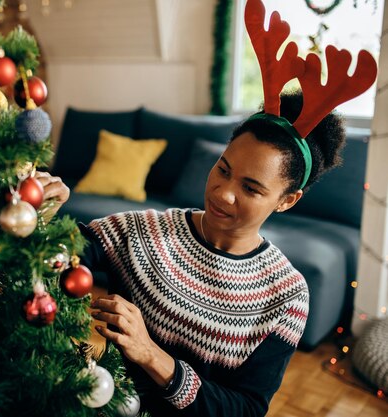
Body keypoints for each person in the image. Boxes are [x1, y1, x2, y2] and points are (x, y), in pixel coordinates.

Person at [36, 90, 347, 416]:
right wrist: (45, 217)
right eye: (224, 170)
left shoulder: (287, 295)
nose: (223, 194)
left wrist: (152, 355)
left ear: (287, 200)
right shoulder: (140, 232)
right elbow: (55, 261)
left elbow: (246, 409)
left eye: (251, 188)